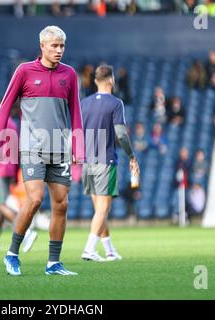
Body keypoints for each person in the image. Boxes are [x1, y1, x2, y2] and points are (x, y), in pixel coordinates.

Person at [0, 26, 85, 276]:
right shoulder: (24, 71)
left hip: (60, 150)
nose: (59, 50)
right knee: (35, 199)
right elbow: (5, 107)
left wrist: (78, 147)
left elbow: (76, 112)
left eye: (62, 45)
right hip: (32, 149)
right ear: (42, 46)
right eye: (54, 45)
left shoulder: (70, 74)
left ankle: (53, 263)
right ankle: (12, 254)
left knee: (61, 204)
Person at [80, 64, 139, 262]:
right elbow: (121, 134)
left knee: (100, 210)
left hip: (87, 162)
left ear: (96, 81)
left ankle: (110, 251)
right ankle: (89, 249)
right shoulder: (115, 103)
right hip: (105, 160)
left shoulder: (84, 103)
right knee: (104, 209)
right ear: (112, 80)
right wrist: (131, 155)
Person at [0, 97, 38, 254]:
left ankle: (27, 232)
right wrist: (15, 170)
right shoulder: (12, 123)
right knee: (0, 204)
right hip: (9, 168)